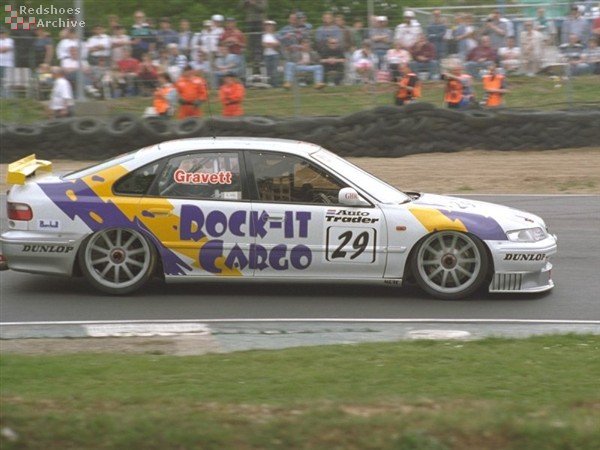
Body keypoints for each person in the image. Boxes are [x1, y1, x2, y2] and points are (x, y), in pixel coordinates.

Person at [242, 0, 268, 74]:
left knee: (258, 41)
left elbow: (263, 8)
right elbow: (241, 6)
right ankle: (251, 58)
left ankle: (258, 59)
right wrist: (247, 2)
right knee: (251, 41)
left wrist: (254, 3)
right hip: (249, 21)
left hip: (259, 21)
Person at [262, 20, 280, 87]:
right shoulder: (263, 35)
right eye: (267, 26)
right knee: (268, 69)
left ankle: (275, 84)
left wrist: (269, 44)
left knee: (274, 69)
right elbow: (263, 44)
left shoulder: (276, 35)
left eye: (270, 26)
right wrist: (272, 44)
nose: (269, 27)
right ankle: (269, 83)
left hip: (275, 54)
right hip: (266, 54)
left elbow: (278, 44)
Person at [0, 28, 15, 97]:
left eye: (3, 33)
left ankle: (8, 97)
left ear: (6, 34)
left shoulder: (9, 40)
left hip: (8, 65)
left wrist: (3, 49)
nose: (2, 34)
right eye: (1, 33)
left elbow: (5, 49)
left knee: (7, 81)